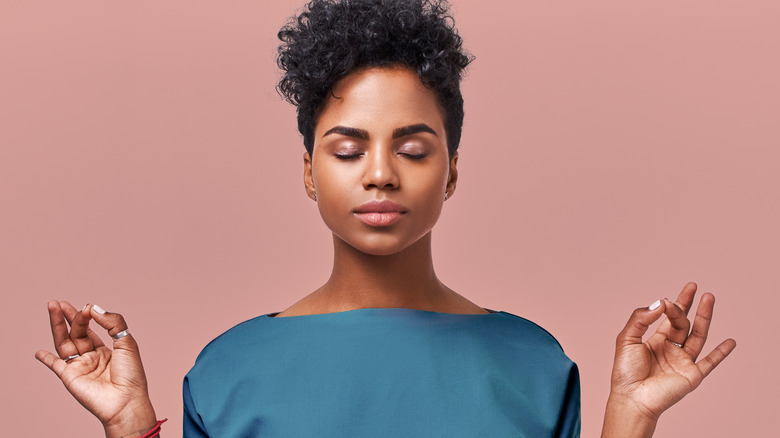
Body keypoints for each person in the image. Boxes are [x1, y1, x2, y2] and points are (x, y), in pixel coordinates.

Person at [35, 0, 736, 437]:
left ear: (452, 171)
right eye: (347, 149)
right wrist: (131, 428)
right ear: (308, 172)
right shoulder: (227, 371)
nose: (379, 172)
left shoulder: (534, 366)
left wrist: (632, 417)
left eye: (412, 147)